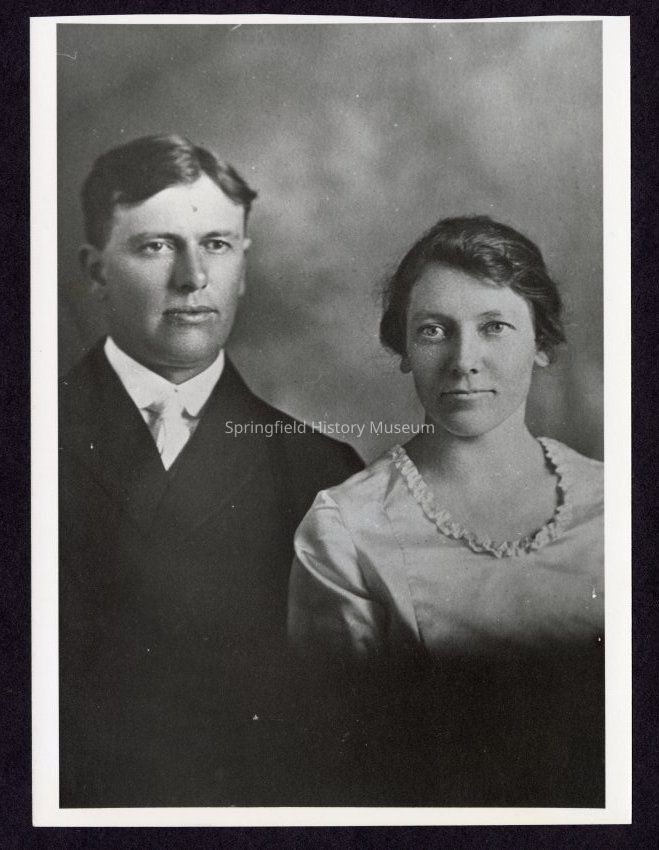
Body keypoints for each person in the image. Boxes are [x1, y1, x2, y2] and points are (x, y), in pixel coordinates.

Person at [58, 134, 362, 807]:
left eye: (217, 245)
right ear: (96, 270)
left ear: (243, 266)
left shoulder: (319, 470)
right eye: (156, 246)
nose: (192, 278)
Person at [288, 216, 604, 806]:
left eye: (495, 327)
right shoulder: (345, 528)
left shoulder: (616, 506)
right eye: (434, 331)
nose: (464, 360)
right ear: (405, 350)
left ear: (541, 344)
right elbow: (339, 760)